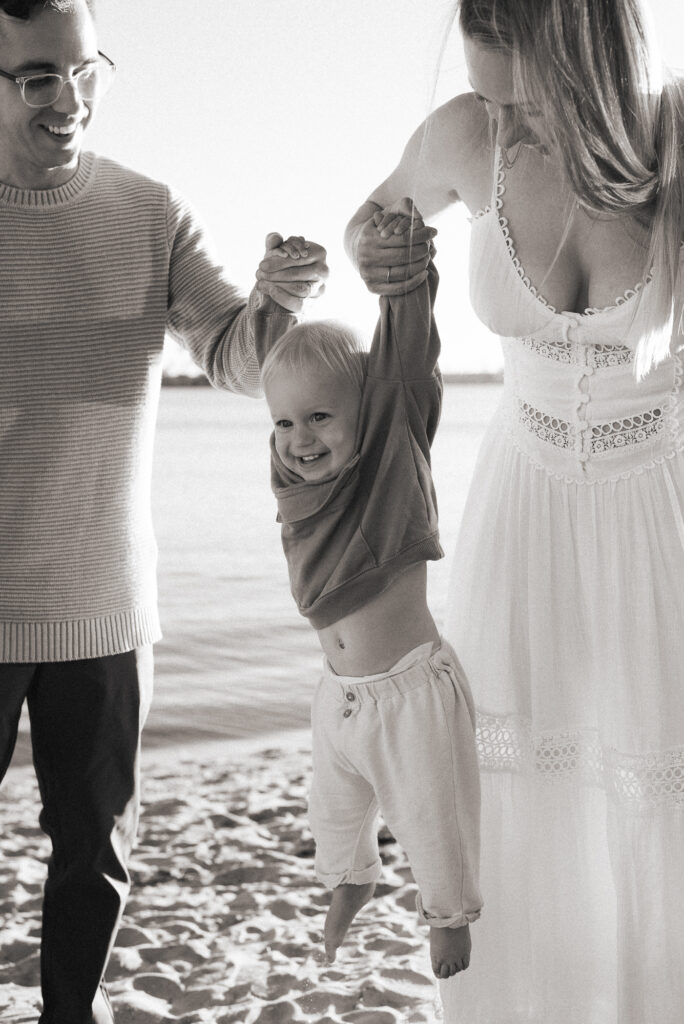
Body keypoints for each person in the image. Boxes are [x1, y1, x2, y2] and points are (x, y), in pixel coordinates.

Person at [345, 0, 684, 1021]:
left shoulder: (670, 136)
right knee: (512, 785)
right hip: (519, 503)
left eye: (500, 51)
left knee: (652, 788)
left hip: (653, 508)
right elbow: (371, 217)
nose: (484, 85)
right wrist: (380, 255)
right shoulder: (467, 133)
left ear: (569, 31)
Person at [0, 2, 327, 1022]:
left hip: (103, 599)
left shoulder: (148, 210)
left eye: (85, 69)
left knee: (95, 853)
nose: (69, 100)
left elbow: (234, 353)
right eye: (37, 78)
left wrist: (275, 298)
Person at [255, 210, 482, 981]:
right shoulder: (300, 492)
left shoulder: (389, 462)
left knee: (431, 816)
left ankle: (448, 918)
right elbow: (278, 379)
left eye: (321, 417)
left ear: (372, 417)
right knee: (335, 812)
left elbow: (405, 368)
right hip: (339, 697)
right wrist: (276, 297)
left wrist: (403, 285)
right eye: (285, 422)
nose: (300, 438)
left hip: (409, 692)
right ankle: (352, 878)